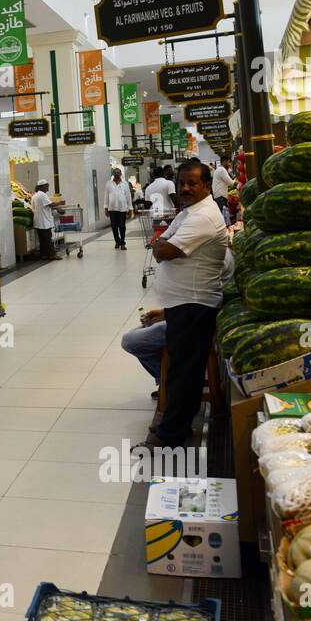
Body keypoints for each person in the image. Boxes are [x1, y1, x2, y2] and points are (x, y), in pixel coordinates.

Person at [140, 159, 230, 450]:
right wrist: (160, 244)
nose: (187, 188)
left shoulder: (203, 217)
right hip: (183, 304)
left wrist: (160, 246)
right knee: (183, 368)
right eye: (183, 183)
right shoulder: (189, 212)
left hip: (195, 304)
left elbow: (163, 249)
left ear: (207, 185)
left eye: (193, 183)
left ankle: (170, 434)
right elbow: (161, 239)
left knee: (184, 372)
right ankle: (177, 422)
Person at [122, 248, 233, 399]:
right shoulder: (214, 249)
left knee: (130, 341)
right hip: (196, 317)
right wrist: (165, 314)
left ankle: (170, 382)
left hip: (195, 324)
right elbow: (194, 299)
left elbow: (195, 305)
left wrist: (169, 314)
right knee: (140, 330)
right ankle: (173, 378)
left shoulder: (208, 255)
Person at [31, 179, 63, 260]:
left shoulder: (35, 195)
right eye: (47, 186)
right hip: (44, 222)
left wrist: (57, 207)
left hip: (38, 221)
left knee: (42, 240)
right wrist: (60, 203)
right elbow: (51, 204)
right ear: (42, 187)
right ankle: (52, 255)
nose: (48, 187)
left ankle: (44, 255)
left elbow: (45, 205)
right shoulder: (42, 195)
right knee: (48, 239)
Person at [104, 167, 133, 250]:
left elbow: (128, 196)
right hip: (112, 208)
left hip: (122, 208)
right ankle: (117, 241)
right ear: (113, 174)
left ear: (120, 174)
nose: (116, 174)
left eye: (118, 172)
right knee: (114, 226)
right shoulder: (108, 184)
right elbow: (106, 196)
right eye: (115, 172)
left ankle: (122, 243)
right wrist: (105, 208)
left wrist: (130, 208)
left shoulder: (125, 184)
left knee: (122, 226)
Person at [212, 156, 235, 223]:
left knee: (222, 215)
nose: (230, 164)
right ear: (224, 161)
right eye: (229, 162)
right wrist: (236, 180)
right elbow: (230, 183)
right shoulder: (222, 170)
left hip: (218, 196)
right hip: (221, 197)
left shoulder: (219, 169)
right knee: (223, 216)